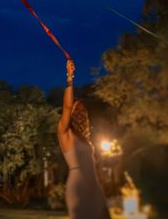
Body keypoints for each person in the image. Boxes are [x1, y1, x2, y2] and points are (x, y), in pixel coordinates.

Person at [58, 60, 110, 219]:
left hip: (94, 187)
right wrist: (70, 77)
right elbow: (67, 107)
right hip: (78, 186)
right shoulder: (65, 133)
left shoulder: (87, 139)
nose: (79, 111)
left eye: (82, 110)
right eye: (76, 109)